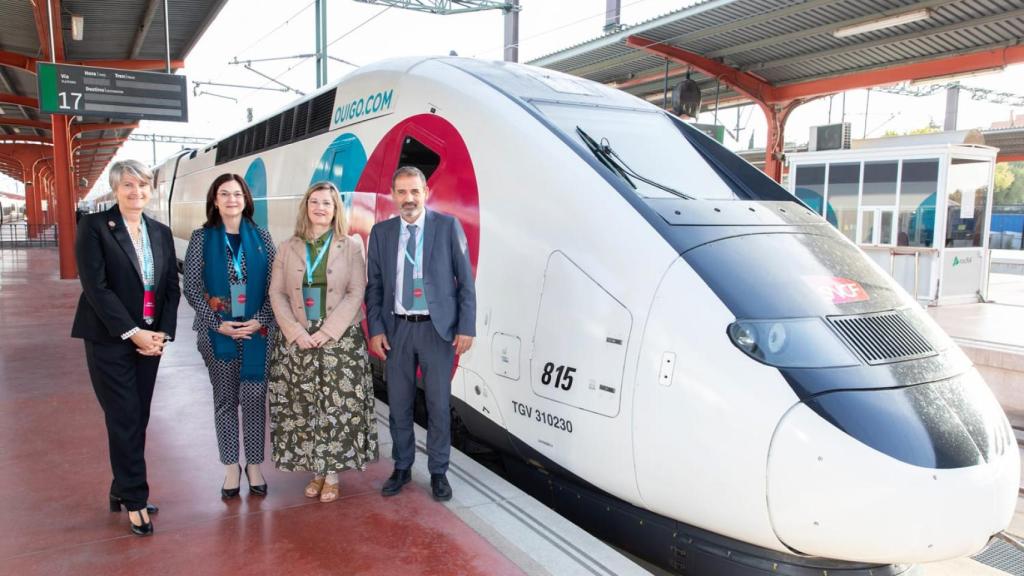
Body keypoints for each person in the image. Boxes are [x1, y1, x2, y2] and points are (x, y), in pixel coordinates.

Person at [71, 159, 180, 536]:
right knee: (124, 416)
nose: (137, 193)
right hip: (109, 338)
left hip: (150, 340)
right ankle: (135, 498)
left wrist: (161, 334)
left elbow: (170, 289)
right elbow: (95, 287)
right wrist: (132, 332)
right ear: (116, 190)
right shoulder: (95, 227)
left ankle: (120, 488)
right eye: (129, 186)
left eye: (143, 186)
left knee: (139, 416)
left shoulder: (160, 232)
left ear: (151, 190)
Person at [365, 166, 476, 502]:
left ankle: (439, 472)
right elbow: (375, 287)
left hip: (436, 331)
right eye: (402, 192)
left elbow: (465, 282)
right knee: (399, 404)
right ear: (393, 195)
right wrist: (376, 329)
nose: (408, 198)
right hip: (398, 330)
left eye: (414, 191)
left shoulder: (447, 227)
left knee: (438, 405)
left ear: (425, 192)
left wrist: (466, 326)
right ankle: (402, 466)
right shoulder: (382, 233)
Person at [267, 181, 377, 503]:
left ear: (335, 209)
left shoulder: (352, 245)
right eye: (314, 202)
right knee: (305, 406)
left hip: (339, 339)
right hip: (298, 339)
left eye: (326, 203)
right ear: (306, 207)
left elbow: (357, 291)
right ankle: (316, 469)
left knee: (335, 407)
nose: (320, 208)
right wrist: (296, 332)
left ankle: (331, 473)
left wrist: (328, 331)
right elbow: (277, 292)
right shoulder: (287, 247)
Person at [183, 174, 276, 499]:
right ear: (215, 200)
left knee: (253, 399)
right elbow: (192, 288)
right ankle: (230, 467)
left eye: (237, 194)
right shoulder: (201, 238)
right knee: (225, 400)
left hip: (256, 333)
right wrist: (215, 322)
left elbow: (274, 289)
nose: (232, 199)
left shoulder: (263, 238)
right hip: (217, 333)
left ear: (246, 199)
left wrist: (260, 319)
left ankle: (253, 464)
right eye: (225, 194)